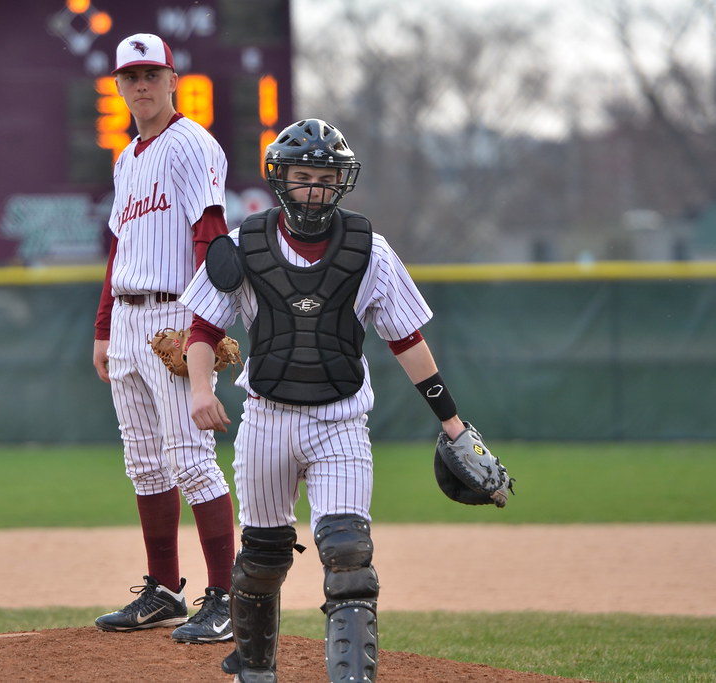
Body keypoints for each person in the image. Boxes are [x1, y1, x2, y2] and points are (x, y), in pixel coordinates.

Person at [180, 119, 478, 682]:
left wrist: (453, 423)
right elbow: (202, 330)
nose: (314, 188)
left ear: (342, 182)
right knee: (262, 556)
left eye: (325, 177)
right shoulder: (244, 244)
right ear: (281, 178)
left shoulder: (371, 250)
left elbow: (407, 340)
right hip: (266, 418)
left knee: (349, 555)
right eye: (303, 176)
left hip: (340, 421)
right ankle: (255, 672)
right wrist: (200, 389)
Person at [91, 32, 236, 644]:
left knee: (192, 460)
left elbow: (211, 234)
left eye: (152, 74)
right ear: (119, 87)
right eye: (131, 77)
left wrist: (204, 326)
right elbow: (120, 248)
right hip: (128, 320)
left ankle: (226, 598)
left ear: (174, 81)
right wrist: (104, 328)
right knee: (146, 464)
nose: (142, 85)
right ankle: (164, 590)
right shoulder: (126, 158)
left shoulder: (192, 144)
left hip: (174, 315)